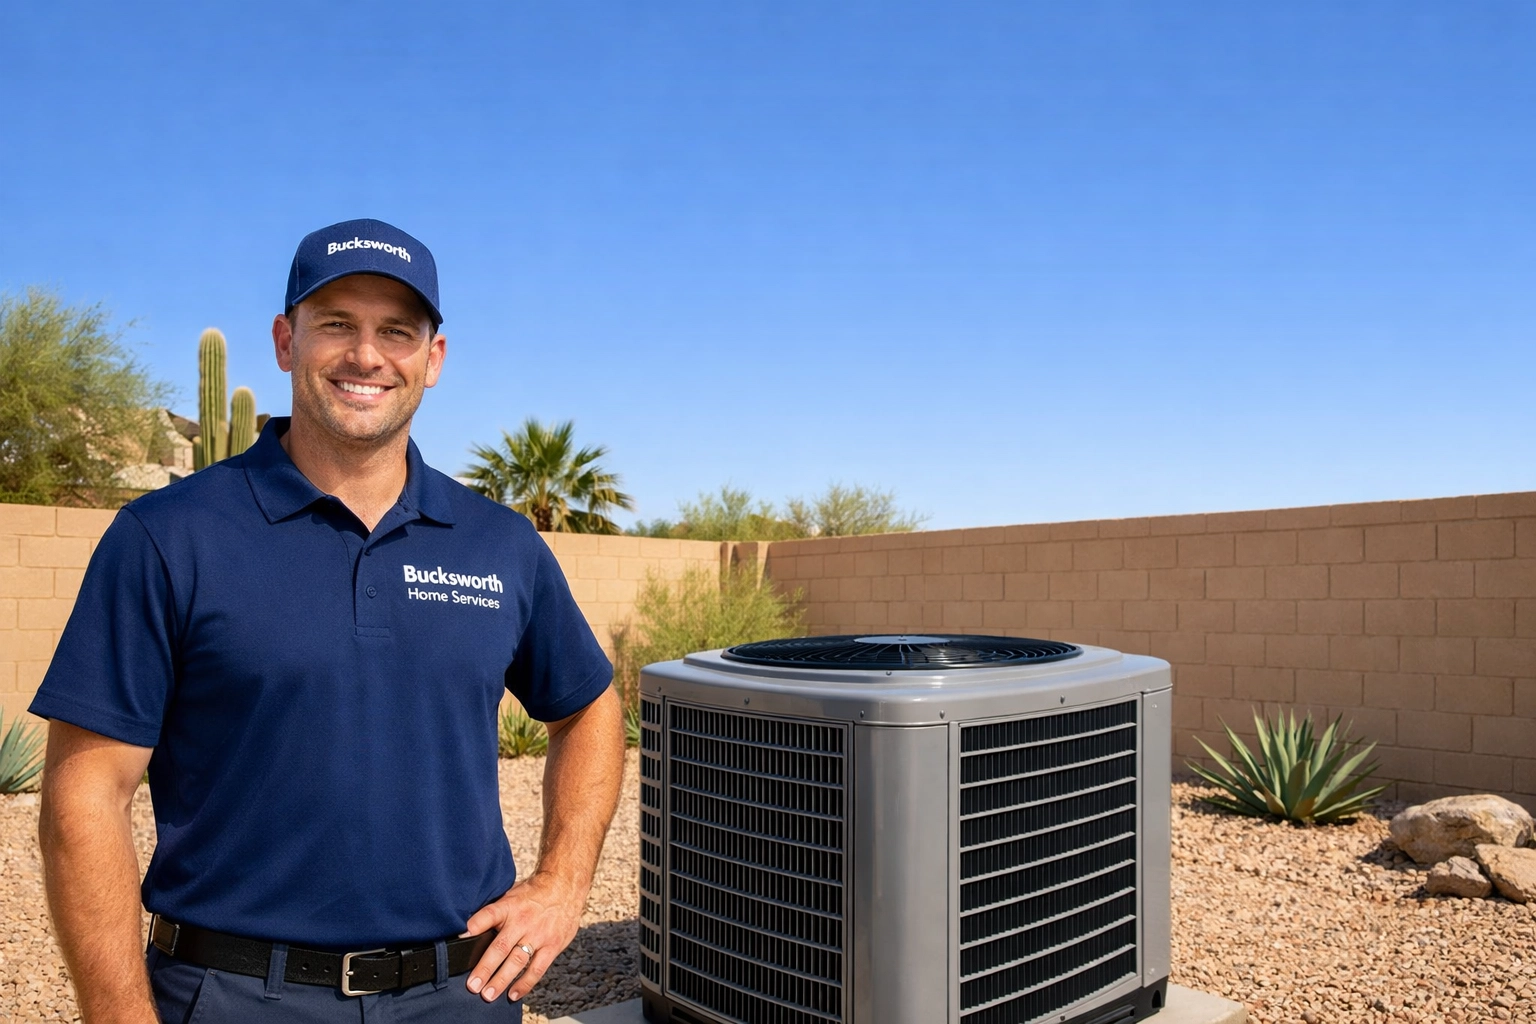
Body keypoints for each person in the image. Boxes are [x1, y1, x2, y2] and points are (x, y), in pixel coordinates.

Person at [31, 218, 626, 1022]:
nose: (367, 356)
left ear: (433, 360)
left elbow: (588, 707)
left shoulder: (499, 546)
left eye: (397, 331)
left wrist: (561, 884)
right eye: (336, 324)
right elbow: (85, 791)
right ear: (285, 341)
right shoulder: (169, 536)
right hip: (234, 996)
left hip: (460, 996)